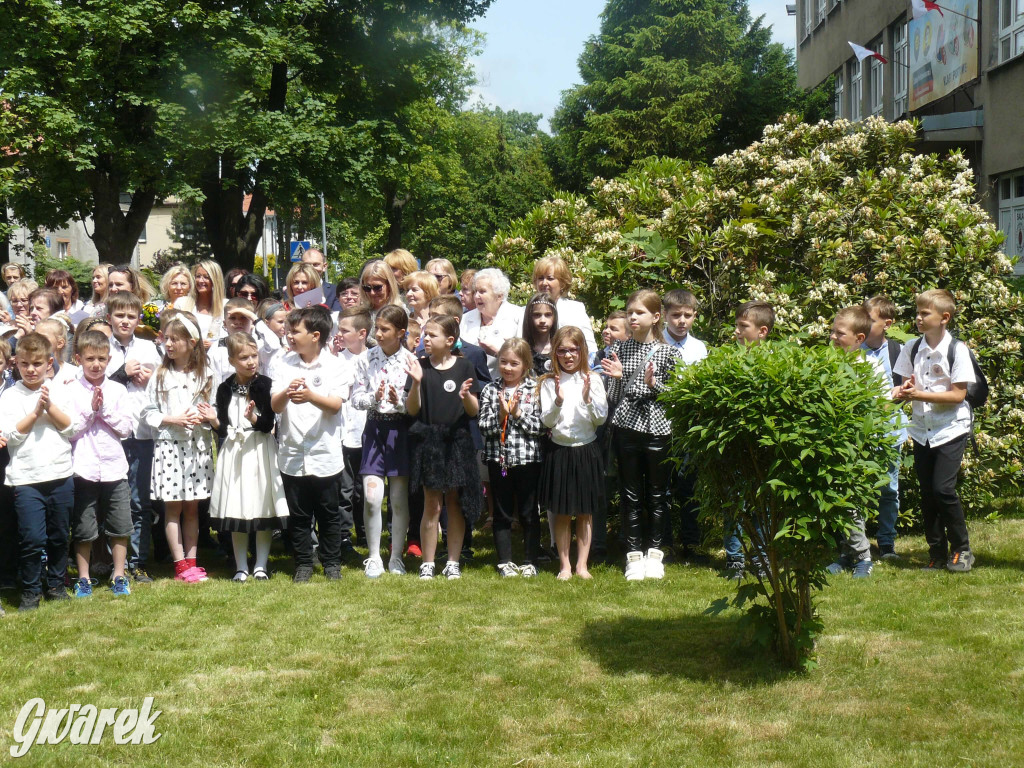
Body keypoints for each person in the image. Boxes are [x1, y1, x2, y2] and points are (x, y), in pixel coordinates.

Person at [601, 289, 684, 581]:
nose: (633, 317)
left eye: (639, 312)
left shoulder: (669, 352)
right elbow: (612, 398)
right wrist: (616, 379)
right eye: (630, 311)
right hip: (626, 429)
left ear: (655, 317)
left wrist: (654, 385)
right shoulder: (619, 350)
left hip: (657, 430)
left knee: (658, 496)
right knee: (630, 495)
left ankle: (655, 554)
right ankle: (633, 555)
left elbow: (676, 397)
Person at [892, 289, 977, 573]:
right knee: (928, 493)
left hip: (951, 428)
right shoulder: (912, 348)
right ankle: (937, 553)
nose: (918, 318)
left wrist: (918, 395)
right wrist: (902, 392)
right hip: (921, 431)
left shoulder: (957, 349)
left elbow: (957, 396)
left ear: (944, 318)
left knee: (943, 489)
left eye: (924, 313)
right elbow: (907, 384)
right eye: (917, 312)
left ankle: (962, 550)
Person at [270, 306, 352, 582]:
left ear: (315, 335)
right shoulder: (282, 364)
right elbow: (275, 405)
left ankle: (331, 564)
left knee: (329, 512)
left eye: (295, 331)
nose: (289, 336)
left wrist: (310, 396)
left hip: (324, 452)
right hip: (292, 452)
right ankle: (303, 562)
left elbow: (335, 406)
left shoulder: (336, 365)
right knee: (299, 515)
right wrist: (287, 391)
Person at [0, 333, 75, 611]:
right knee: (32, 538)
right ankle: (30, 590)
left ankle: (55, 584)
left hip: (60, 474)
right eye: (25, 364)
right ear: (15, 364)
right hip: (26, 477)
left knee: (59, 535)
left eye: (37, 363)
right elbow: (10, 436)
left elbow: (71, 428)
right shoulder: (10, 396)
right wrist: (35, 412)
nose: (31, 370)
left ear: (49, 363)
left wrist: (49, 407)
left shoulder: (60, 390)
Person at [140, 311, 216, 583]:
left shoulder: (206, 374)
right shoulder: (161, 375)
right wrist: (173, 419)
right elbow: (147, 412)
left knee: (193, 508)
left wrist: (208, 417)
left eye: (175, 339)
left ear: (192, 343)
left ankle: (193, 561)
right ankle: (180, 564)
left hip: (197, 449)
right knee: (173, 509)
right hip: (170, 448)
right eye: (166, 339)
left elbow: (215, 408)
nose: (168, 344)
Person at [405, 314, 481, 580]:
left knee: (454, 502)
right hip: (429, 442)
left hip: (457, 441)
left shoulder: (465, 367)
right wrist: (415, 382)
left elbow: (473, 411)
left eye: (432, 335)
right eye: (425, 334)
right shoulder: (420, 366)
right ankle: (428, 563)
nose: (426, 339)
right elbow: (412, 409)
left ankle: (452, 562)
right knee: (432, 503)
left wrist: (466, 397)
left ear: (450, 340)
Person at [209, 333, 289, 581]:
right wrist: (213, 420)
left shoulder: (265, 384)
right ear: (232, 360)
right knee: (238, 508)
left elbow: (267, 424)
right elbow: (222, 427)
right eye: (244, 357)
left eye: (254, 356)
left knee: (261, 506)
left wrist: (253, 418)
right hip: (235, 452)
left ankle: (261, 565)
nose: (251, 362)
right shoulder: (224, 388)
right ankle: (241, 566)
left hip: (259, 450)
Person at [66, 330, 135, 597]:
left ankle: (119, 574)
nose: (96, 364)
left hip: (114, 467)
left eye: (102, 359)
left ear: (109, 359)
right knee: (84, 527)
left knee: (119, 524)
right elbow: (70, 430)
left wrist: (104, 410)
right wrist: (90, 411)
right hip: (82, 467)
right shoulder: (71, 391)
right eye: (90, 359)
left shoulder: (117, 390)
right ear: (78, 359)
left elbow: (126, 429)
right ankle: (83, 578)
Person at [350, 304, 415, 577]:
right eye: (377, 328)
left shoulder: (412, 361)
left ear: (400, 332)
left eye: (384, 329)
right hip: (375, 430)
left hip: (400, 432)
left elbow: (414, 406)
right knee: (373, 497)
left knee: (398, 500)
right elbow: (356, 399)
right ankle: (374, 556)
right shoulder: (365, 359)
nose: (378, 334)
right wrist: (375, 399)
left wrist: (397, 402)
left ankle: (396, 556)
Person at [825, 306, 888, 579]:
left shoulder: (869, 367)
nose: (832, 337)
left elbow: (883, 405)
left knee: (851, 503)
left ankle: (863, 557)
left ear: (859, 338)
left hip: (859, 445)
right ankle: (846, 553)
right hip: (833, 441)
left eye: (839, 333)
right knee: (836, 501)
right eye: (832, 331)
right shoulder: (829, 362)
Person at [541, 326, 608, 580]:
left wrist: (587, 398)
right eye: (562, 351)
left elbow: (600, 419)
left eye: (574, 350)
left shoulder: (594, 379)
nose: (568, 356)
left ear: (583, 350)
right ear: (555, 353)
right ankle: (564, 565)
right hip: (559, 450)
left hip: (586, 449)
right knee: (560, 510)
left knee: (584, 511)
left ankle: (582, 565)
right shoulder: (549, 382)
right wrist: (558, 400)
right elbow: (546, 422)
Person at [105, 291, 162, 582]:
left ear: (138, 318)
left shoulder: (149, 347)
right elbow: (95, 386)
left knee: (140, 500)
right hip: (110, 434)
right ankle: (116, 562)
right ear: (109, 318)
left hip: (141, 432)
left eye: (131, 316)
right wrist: (121, 373)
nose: (125, 321)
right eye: (119, 315)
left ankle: (138, 561)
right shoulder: (103, 348)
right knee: (115, 500)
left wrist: (150, 379)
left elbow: (162, 385)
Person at [478, 337, 544, 578]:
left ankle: (530, 560)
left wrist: (516, 413)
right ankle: (505, 561)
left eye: (514, 363)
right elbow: (484, 427)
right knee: (502, 511)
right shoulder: (490, 389)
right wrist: (500, 416)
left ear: (525, 365)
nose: (507, 368)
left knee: (528, 512)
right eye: (503, 362)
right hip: (500, 460)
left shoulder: (536, 388)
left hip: (528, 460)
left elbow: (540, 427)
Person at [722, 300, 775, 578]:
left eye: (743, 326)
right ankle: (734, 557)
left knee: (762, 506)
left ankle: (760, 556)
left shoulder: (776, 362)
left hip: (762, 447)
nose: (737, 331)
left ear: (762, 331)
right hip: (736, 447)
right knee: (734, 504)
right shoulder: (727, 360)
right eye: (737, 325)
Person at [661, 290, 709, 560]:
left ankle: (692, 543)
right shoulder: (656, 344)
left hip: (688, 426)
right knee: (663, 487)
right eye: (676, 315)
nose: (681, 321)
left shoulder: (699, 348)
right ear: (665, 315)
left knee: (689, 487)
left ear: (694, 317)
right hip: (660, 424)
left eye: (687, 316)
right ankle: (665, 543)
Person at [863, 295, 905, 561]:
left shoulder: (898, 352)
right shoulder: (854, 349)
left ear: (887, 323)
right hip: (860, 432)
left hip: (890, 432)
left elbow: (905, 390)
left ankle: (886, 542)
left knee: (889, 489)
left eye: (871, 320)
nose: (864, 324)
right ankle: (855, 544)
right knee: (855, 488)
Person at [336, 308, 370, 554]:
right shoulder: (336, 359)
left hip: (369, 432)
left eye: (344, 330)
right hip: (344, 433)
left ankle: (367, 533)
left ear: (362, 333)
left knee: (366, 489)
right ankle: (344, 536)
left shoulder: (373, 358)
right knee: (344, 489)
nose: (339, 334)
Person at [522, 256, 597, 358]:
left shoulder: (575, 309)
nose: (544, 283)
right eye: (540, 278)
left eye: (550, 278)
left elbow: (589, 347)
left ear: (562, 283)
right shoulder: (525, 311)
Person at [460, 268, 524, 378]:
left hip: (504, 383)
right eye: (475, 291)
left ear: (499, 295)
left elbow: (524, 357)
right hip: (471, 384)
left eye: (482, 291)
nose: (476, 296)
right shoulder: (465, 319)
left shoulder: (518, 316)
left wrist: (498, 353)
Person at [208, 298, 259, 385]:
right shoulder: (218, 349)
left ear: (252, 321)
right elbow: (214, 384)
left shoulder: (259, 344)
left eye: (244, 317)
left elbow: (274, 345)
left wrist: (256, 319)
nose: (238, 322)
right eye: (233, 318)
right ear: (224, 324)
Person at [173, 260, 226, 343]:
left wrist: (212, 344)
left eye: (206, 277)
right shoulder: (181, 304)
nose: (201, 281)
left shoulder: (225, 306)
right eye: (198, 276)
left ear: (215, 280)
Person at [522, 292, 558, 375]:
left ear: (554, 317)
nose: (542, 320)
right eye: (537, 315)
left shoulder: (560, 348)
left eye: (548, 315)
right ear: (529, 317)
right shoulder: (522, 349)